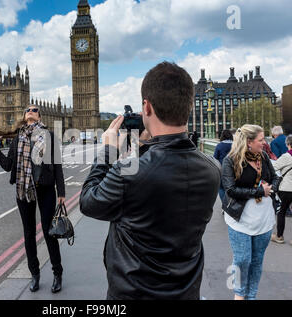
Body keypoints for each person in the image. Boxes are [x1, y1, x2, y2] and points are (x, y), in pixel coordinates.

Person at [80, 62, 220, 300]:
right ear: (188, 105)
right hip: (186, 291)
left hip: (133, 293)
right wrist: (147, 146)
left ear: (146, 106)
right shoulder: (212, 168)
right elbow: (162, 174)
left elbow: (89, 201)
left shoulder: (129, 173)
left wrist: (108, 151)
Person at [0, 105, 66, 293]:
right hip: (24, 190)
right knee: (29, 234)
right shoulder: (18, 139)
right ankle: (35, 274)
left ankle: (57, 273)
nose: (30, 111)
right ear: (24, 116)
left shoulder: (49, 137)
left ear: (39, 115)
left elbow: (57, 166)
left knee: (50, 233)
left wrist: (61, 192)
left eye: (34, 109)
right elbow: (8, 166)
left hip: (45, 189)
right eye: (27, 110)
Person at [222, 125, 280, 300]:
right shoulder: (231, 160)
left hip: (263, 219)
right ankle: (238, 294)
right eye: (261, 140)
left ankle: (251, 295)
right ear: (249, 142)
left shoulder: (262, 157)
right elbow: (230, 190)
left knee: (256, 261)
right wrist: (259, 192)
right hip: (239, 219)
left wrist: (272, 189)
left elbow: (275, 177)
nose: (265, 143)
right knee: (242, 260)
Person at [214, 129, 233, 202]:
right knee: (232, 187)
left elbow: (215, 158)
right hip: (234, 168)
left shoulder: (220, 145)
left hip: (222, 169)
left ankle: (224, 204)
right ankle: (230, 203)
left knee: (221, 187)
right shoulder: (235, 145)